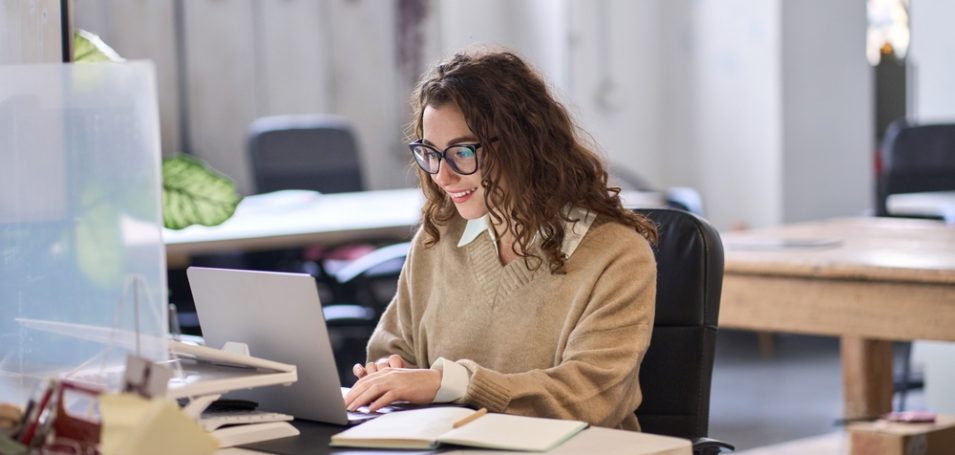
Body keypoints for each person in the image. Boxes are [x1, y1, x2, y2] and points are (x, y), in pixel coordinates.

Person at [343, 48, 658, 431]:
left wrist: (449, 383)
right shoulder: (437, 239)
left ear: (522, 144)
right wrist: (391, 373)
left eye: (461, 152)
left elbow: (591, 397)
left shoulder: (617, 255)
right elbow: (393, 349)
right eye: (430, 153)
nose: (442, 176)